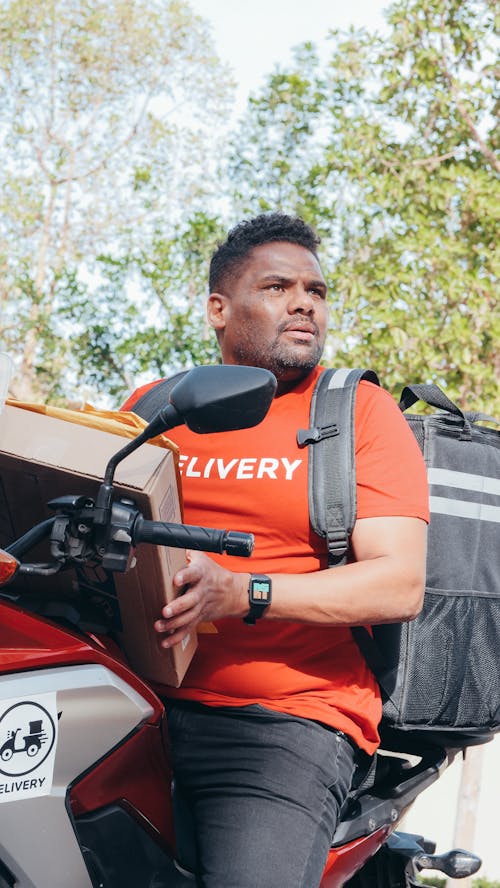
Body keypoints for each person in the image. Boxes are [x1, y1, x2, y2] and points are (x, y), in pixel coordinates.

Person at [122, 213, 429, 888]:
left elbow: (398, 583)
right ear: (218, 309)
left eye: (316, 292)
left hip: (280, 721)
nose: (304, 303)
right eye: (278, 287)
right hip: (131, 699)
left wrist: (243, 592)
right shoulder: (156, 405)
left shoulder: (356, 413)